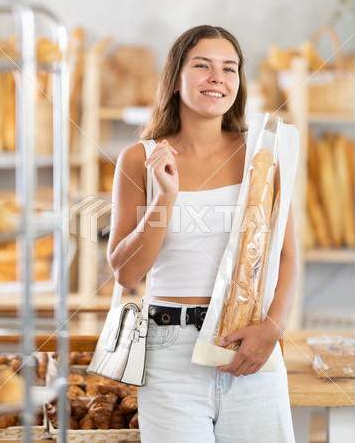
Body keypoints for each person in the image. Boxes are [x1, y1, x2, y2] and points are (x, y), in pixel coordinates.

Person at [107, 25, 298, 443]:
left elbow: (286, 255)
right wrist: (165, 198)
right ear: (176, 78)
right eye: (203, 65)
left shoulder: (262, 155)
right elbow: (126, 273)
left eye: (230, 68)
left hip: (248, 343)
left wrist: (272, 329)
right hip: (169, 353)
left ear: (238, 83)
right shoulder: (139, 159)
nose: (218, 77)